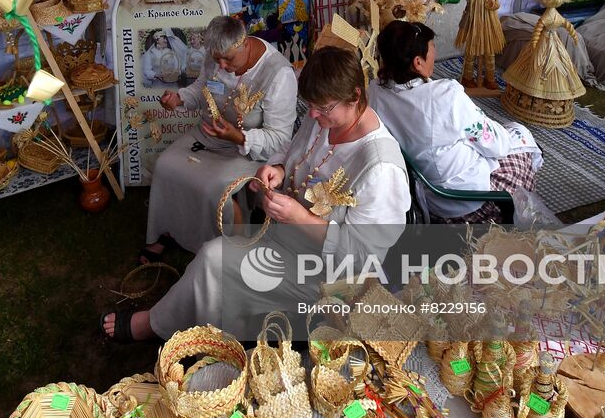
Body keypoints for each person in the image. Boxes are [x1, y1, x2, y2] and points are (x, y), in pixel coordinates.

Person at [103, 47, 410, 341]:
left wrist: (299, 217)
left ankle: (155, 325)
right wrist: (276, 167)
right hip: (286, 238)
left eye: (322, 108)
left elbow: (362, 259)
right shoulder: (326, 118)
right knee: (216, 252)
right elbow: (293, 149)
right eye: (311, 106)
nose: (313, 115)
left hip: (325, 274)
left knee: (213, 260)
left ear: (355, 96)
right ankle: (220, 331)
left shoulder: (382, 169)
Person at [140, 16, 298, 262]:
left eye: (228, 59)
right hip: (208, 134)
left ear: (244, 43)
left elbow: (280, 140)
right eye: (217, 60)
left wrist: (238, 137)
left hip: (248, 151)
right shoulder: (217, 55)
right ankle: (170, 230)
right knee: (165, 165)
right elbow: (201, 90)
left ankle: (220, 254)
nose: (222, 66)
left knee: (213, 186)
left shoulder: (278, 73)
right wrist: (180, 99)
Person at [369, 20, 541, 223]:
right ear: (418, 62)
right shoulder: (445, 96)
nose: (434, 53)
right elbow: (496, 146)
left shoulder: (375, 90)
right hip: (462, 201)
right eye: (432, 48)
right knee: (521, 137)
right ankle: (513, 216)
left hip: (427, 194)